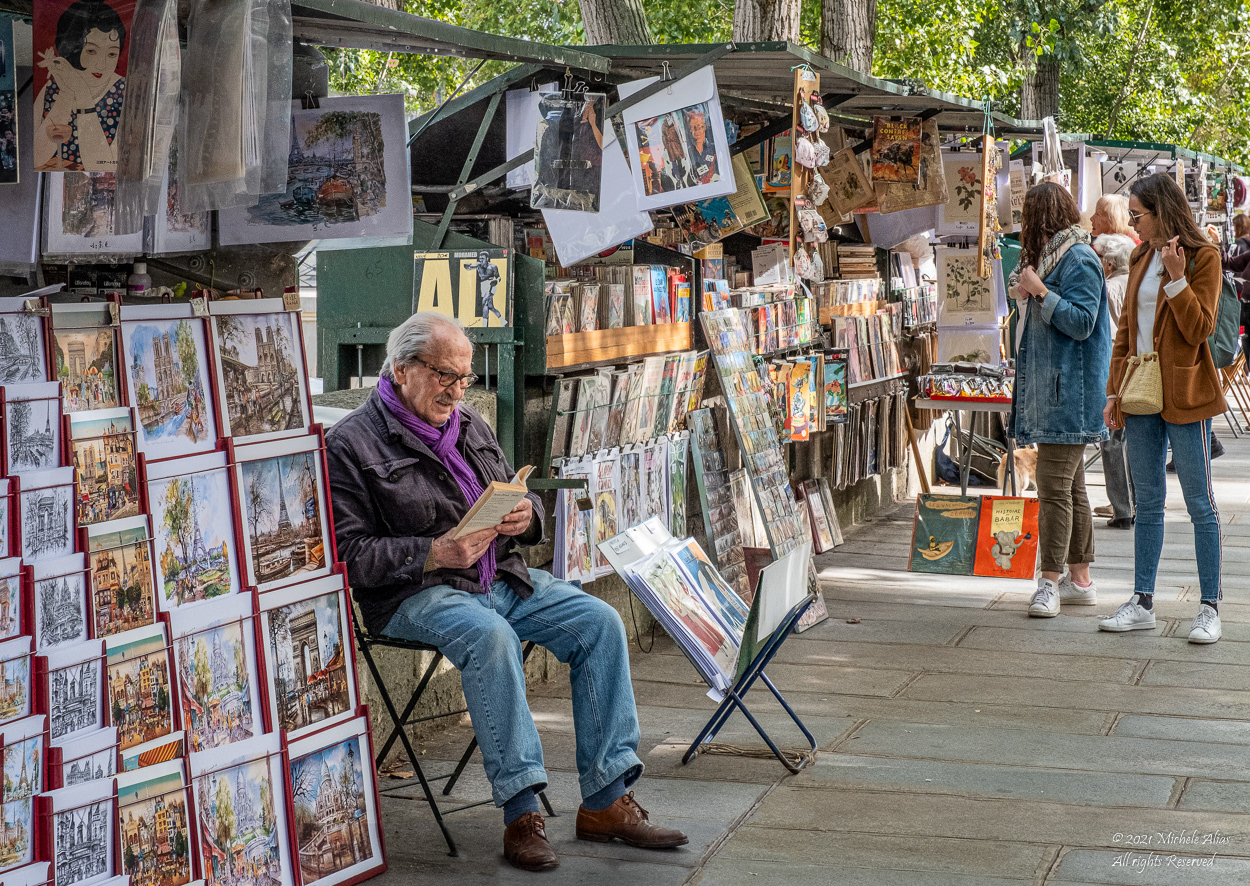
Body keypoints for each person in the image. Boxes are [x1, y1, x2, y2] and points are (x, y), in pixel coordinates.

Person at [326, 313, 687, 872]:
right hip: (418, 593)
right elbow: (347, 554)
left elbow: (519, 497)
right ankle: (522, 812)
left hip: (503, 577)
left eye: (464, 377)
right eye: (444, 375)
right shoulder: (350, 444)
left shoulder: (469, 423)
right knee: (491, 638)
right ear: (401, 370)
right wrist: (433, 551)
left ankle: (607, 799)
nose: (455, 389)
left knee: (600, 623)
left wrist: (527, 516)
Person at [1099, 173, 1226, 644]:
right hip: (1139, 392)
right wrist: (1114, 392)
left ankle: (1210, 606)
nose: (1133, 223)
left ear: (1162, 211)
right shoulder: (1138, 255)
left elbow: (1199, 330)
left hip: (1186, 395)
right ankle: (1142, 601)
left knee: (1199, 503)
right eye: (1131, 215)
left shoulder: (1202, 257)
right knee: (1148, 499)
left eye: (1138, 215)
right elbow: (1126, 332)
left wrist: (1176, 277)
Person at [1009, 182, 1111, 619]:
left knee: (1053, 488)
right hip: (1058, 390)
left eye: (1028, 216)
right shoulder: (1058, 256)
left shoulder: (1079, 258)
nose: (1024, 226)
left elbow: (1084, 322)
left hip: (1070, 393)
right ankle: (1080, 578)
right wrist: (1028, 289)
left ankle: (1048, 581)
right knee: (1071, 487)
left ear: (1042, 217)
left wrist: (1042, 293)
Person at [33, 0, 128, 171]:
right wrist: (67, 93)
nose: (102, 65)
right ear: (72, 48)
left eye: (112, 54)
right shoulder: (53, 86)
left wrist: (83, 95)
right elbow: (37, 157)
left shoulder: (124, 92)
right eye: (91, 51)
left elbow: (105, 165)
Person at [1092, 233, 1137, 528]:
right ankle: (1135, 502)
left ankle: (1122, 508)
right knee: (1129, 437)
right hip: (1136, 364)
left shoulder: (1107, 288)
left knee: (1111, 436)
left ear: (1107, 262)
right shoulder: (1133, 283)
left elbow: (1107, 334)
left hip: (1114, 364)